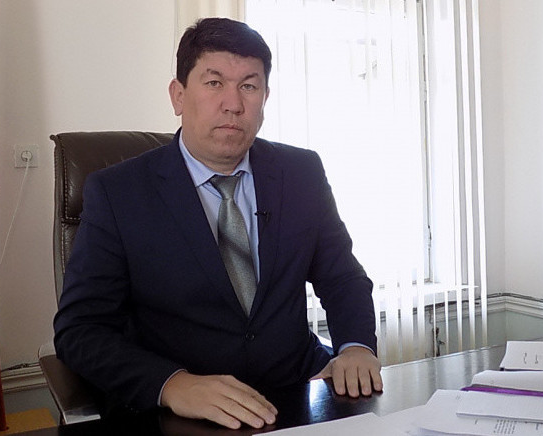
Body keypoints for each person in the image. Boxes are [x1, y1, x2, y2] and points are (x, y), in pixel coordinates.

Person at [53, 17, 382, 430]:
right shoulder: (118, 193)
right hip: (183, 413)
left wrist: (355, 346)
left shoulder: (300, 172)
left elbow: (343, 279)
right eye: (214, 83)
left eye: (249, 86)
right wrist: (172, 385)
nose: (233, 104)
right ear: (178, 95)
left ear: (265, 97)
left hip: (297, 395)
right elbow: (80, 330)